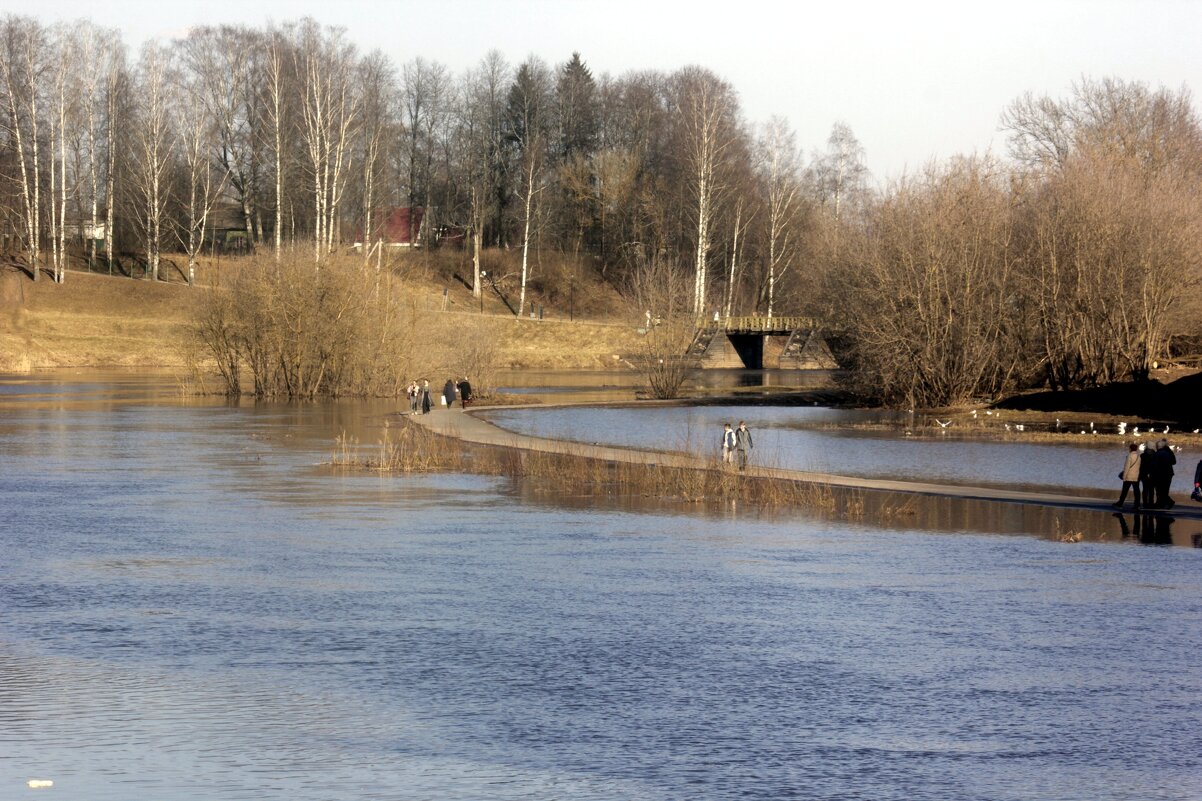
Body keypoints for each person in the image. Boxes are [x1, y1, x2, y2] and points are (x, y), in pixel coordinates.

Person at [1112, 442, 1141, 509]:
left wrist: (1124, 477)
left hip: (1129, 476)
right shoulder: (1139, 456)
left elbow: (1126, 467)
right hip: (1136, 476)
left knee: (1124, 491)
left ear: (1130, 449)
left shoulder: (1129, 456)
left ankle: (1120, 503)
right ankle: (1137, 504)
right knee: (1136, 491)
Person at [1152, 438, 1176, 509]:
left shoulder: (1157, 454)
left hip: (1161, 474)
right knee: (1165, 489)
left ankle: (1166, 502)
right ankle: (1161, 503)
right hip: (1169, 474)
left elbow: (1154, 465)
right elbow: (1174, 462)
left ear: (1158, 447)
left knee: (1159, 489)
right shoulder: (1169, 453)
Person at [1139, 441, 1156, 508]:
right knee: (1151, 489)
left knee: (1145, 489)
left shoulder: (1142, 456)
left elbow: (1141, 466)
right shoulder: (1155, 455)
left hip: (1144, 474)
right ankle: (1151, 503)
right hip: (1152, 475)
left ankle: (1145, 503)